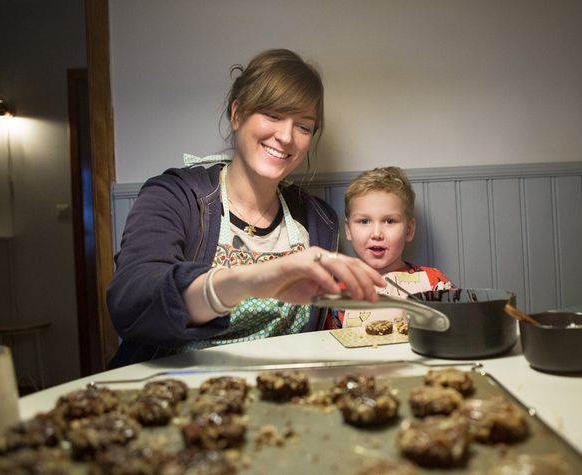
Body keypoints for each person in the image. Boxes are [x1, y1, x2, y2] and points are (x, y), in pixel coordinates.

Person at [107, 49, 384, 367]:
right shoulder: (174, 195)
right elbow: (131, 301)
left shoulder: (320, 221)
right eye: (273, 115)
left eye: (304, 127)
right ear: (237, 114)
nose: (286, 137)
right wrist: (252, 281)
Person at [326, 166, 454, 329]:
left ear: (409, 230)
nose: (377, 233)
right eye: (364, 221)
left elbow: (455, 329)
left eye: (389, 221)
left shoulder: (432, 283)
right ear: (348, 230)